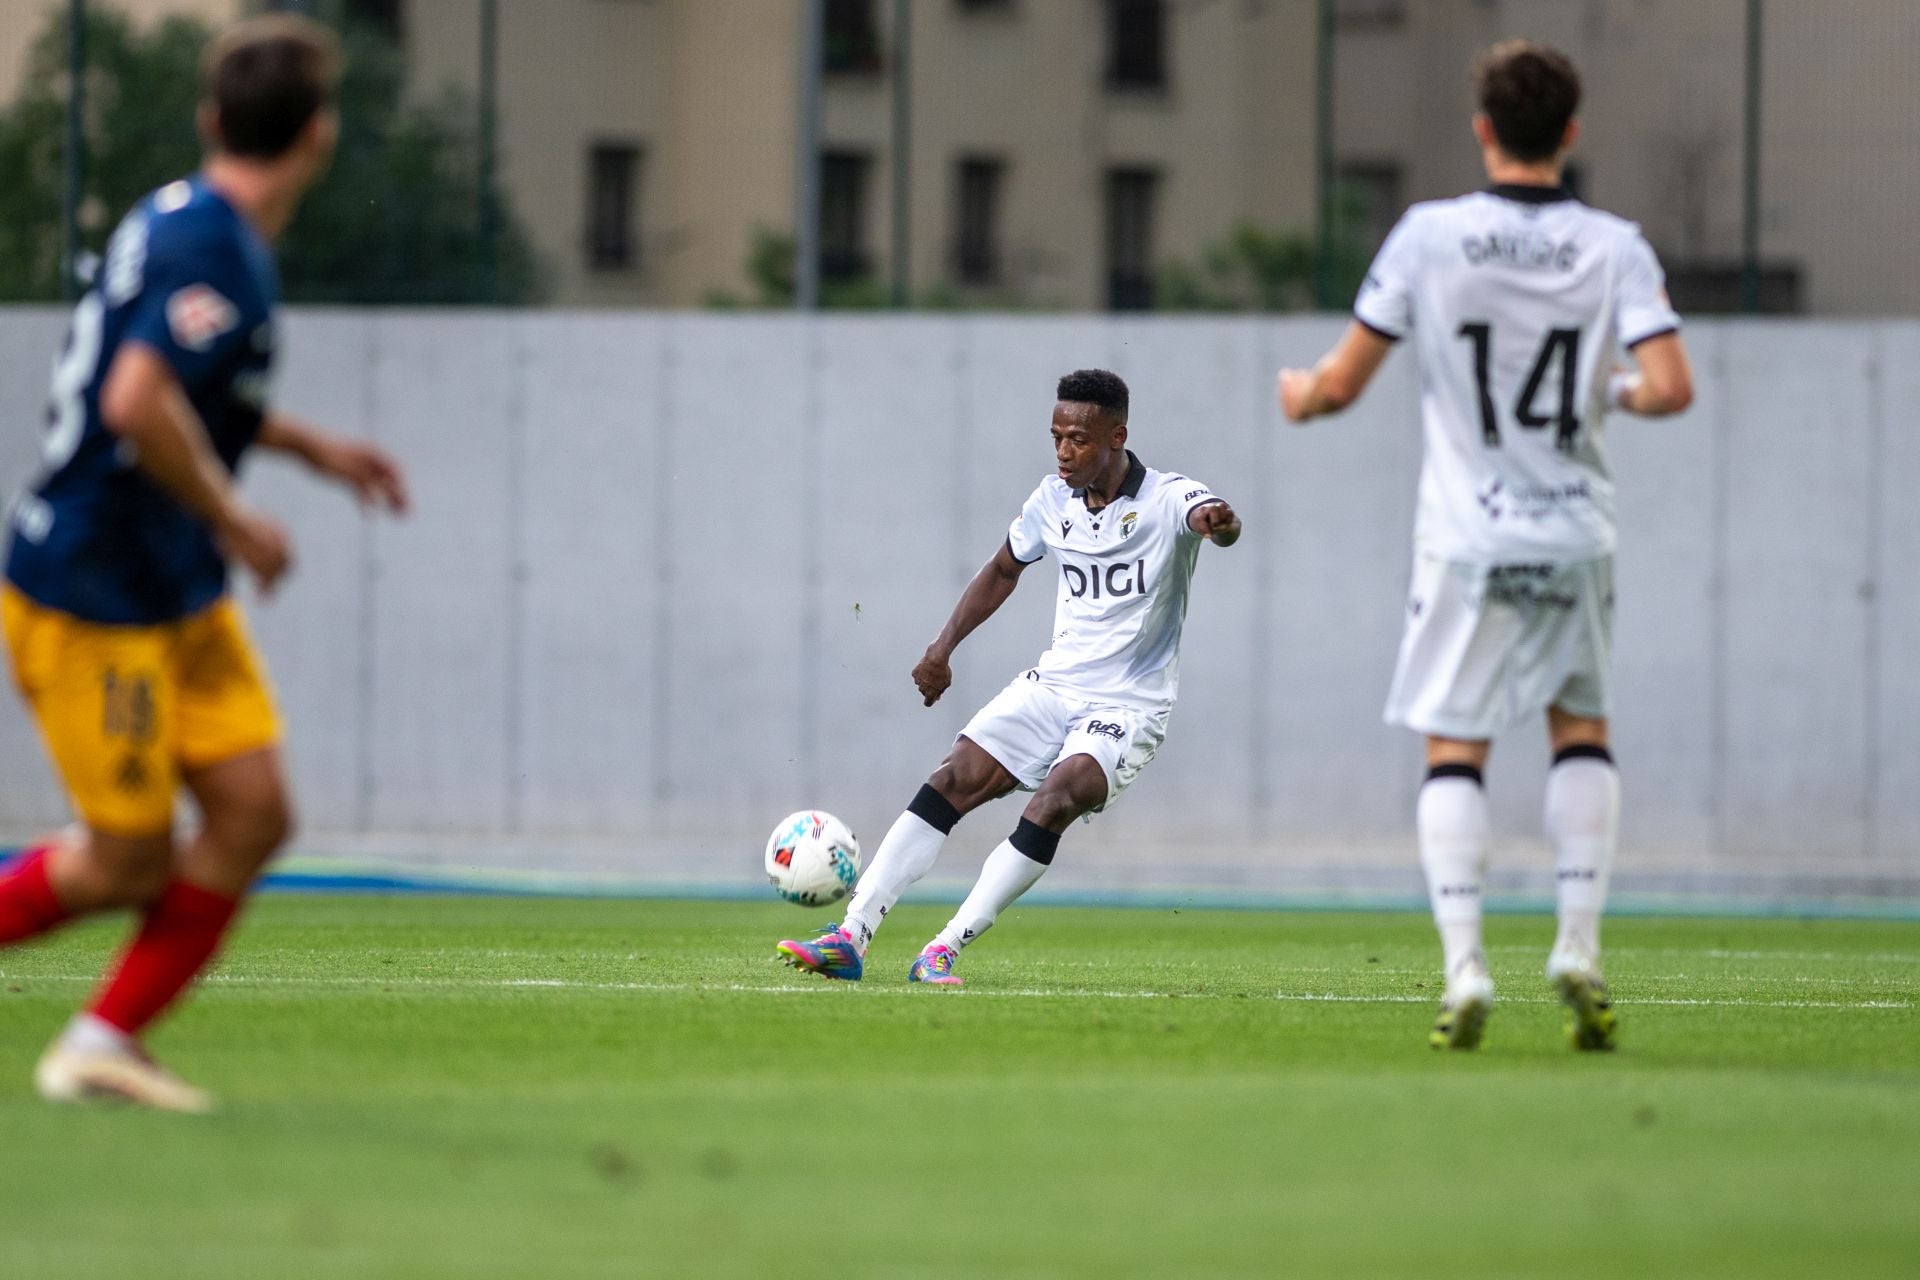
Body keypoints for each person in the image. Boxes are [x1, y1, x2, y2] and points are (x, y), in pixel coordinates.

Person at [0, 15, 408, 1110]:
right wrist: (235, 515)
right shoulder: (212, 246)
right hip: (94, 590)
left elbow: (186, 390)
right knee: (126, 859)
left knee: (253, 812)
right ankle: (99, 1038)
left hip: (169, 585)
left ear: (209, 120)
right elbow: (136, 407)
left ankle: (100, 1041)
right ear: (318, 136)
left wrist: (310, 448)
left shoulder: (185, 218)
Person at [1276, 41, 1694, 1051]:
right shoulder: (1615, 245)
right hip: (1573, 530)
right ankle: (1577, 945)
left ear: (1483, 130)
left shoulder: (1428, 236)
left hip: (1465, 537)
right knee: (1580, 730)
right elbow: (1672, 386)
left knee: (1454, 747)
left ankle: (1466, 965)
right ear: (1572, 134)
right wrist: (1618, 391)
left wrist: (1301, 396)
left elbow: (1340, 383)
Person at [777, 369, 1241, 985]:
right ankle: (851, 936)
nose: (1063, 451)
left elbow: (1213, 518)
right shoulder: (1051, 500)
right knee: (954, 777)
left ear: (1116, 435)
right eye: (1056, 437)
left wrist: (1220, 524)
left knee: (1057, 795)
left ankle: (943, 948)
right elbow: (1002, 570)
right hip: (1054, 685)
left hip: (1129, 704)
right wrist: (942, 648)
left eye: (1078, 438)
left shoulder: (1169, 497)